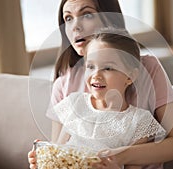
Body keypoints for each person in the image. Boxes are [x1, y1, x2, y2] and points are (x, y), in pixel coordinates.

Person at [28, 0, 173, 169]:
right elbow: (60, 151)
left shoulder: (147, 69)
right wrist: (45, 159)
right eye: (68, 18)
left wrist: (117, 157)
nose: (75, 26)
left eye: (87, 15)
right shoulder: (64, 86)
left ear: (110, 18)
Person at [48, 28, 166, 169]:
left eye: (108, 68)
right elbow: (57, 153)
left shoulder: (139, 122)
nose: (96, 75)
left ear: (130, 77)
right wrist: (43, 161)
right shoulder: (75, 103)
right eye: (90, 66)